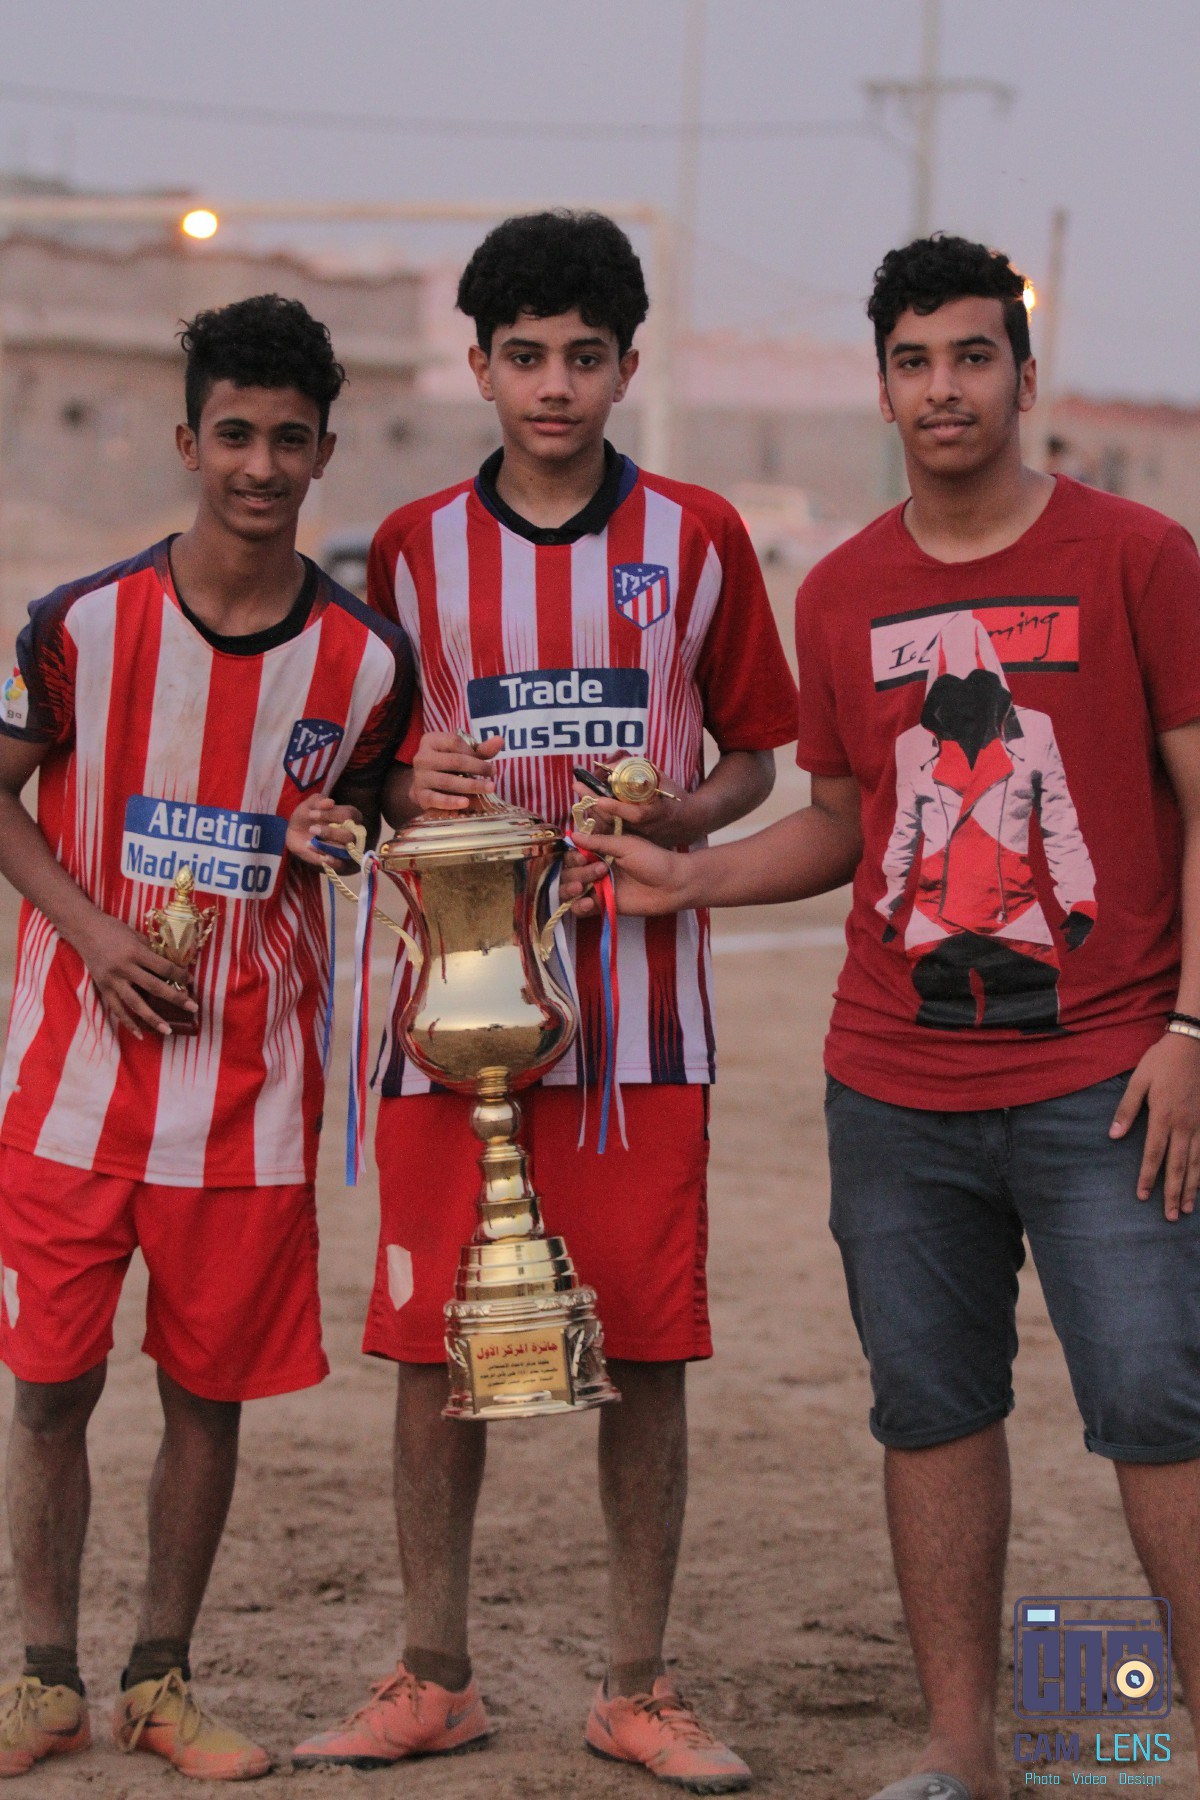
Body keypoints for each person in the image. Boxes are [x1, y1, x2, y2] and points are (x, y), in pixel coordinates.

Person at [563, 234, 1200, 1800]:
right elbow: (847, 824)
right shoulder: (844, 590)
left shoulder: (1138, 557)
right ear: (883, 389)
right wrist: (683, 876)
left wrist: (1193, 1035)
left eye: (972, 357)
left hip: (1108, 1073)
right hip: (896, 1084)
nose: (943, 389)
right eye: (913, 363)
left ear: (1024, 377)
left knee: (1157, 1407)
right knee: (930, 1410)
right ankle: (964, 1751)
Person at [291, 210, 798, 1791]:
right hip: (455, 1012)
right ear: (480, 367)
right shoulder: (410, 546)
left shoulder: (700, 536)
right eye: (527, 356)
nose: (556, 385)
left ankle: (637, 1684)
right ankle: (432, 1672)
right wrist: (407, 782)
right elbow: (356, 770)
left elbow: (754, 757)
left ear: (628, 366)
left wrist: (675, 822)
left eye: (585, 356)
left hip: (643, 1021)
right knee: (432, 1342)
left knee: (647, 1346)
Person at [0, 295, 412, 1780]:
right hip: (70, 1087)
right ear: (189, 441)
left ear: (324, 454)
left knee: (205, 1396)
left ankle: (159, 1681)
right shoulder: (76, 626)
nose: (260, 465)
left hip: (249, 1096)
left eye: (289, 440)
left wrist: (334, 836)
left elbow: (356, 825)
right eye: (234, 434)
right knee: (50, 1390)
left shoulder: (367, 664)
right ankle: (43, 1679)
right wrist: (94, 934)